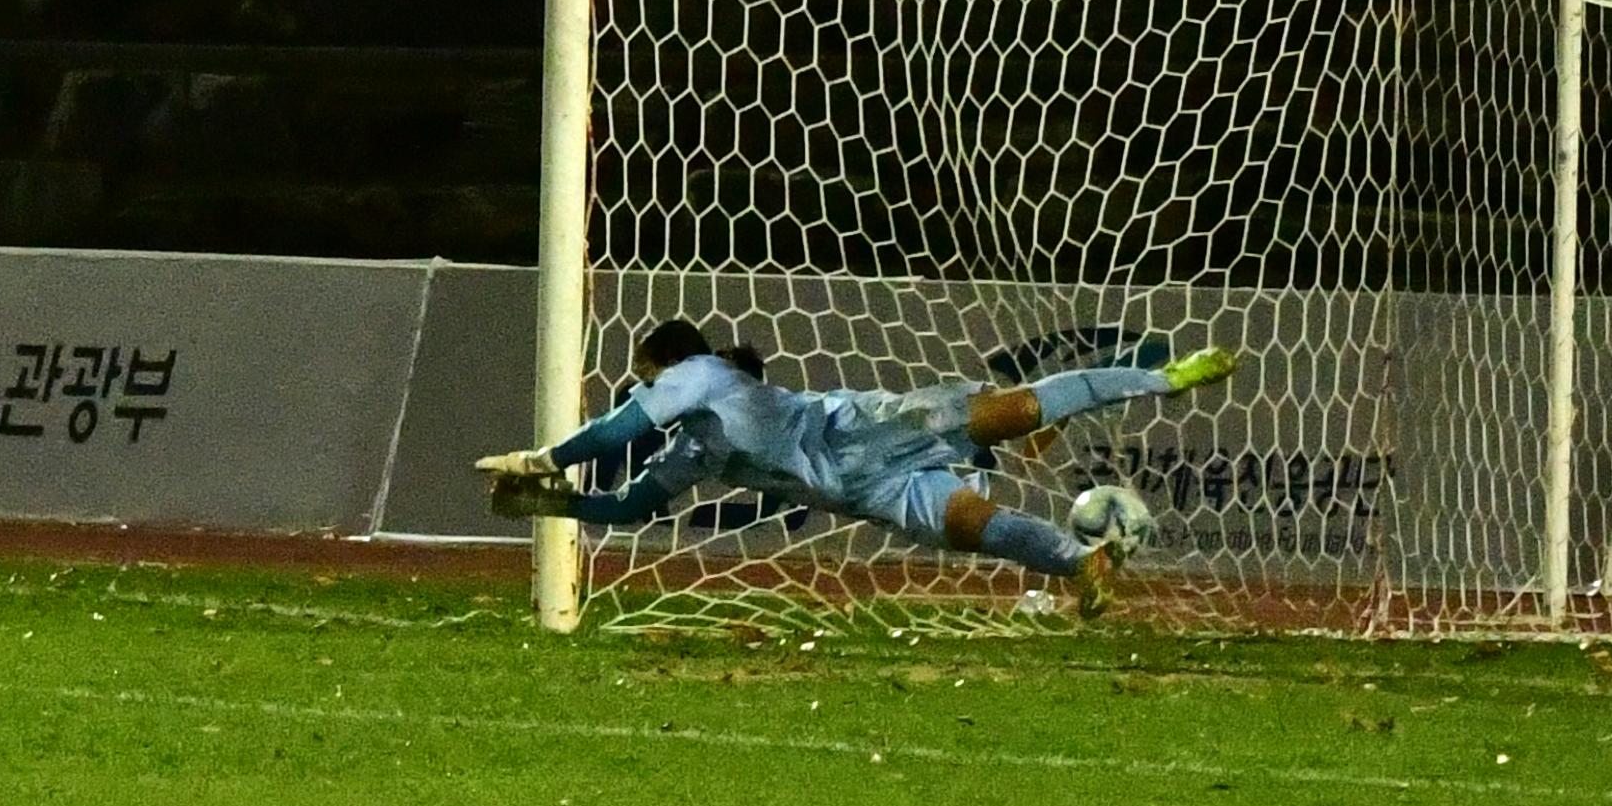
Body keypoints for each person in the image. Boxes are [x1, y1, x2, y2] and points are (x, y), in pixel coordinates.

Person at [481, 321, 1235, 610]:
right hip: (862, 490)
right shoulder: (697, 450)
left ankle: (1164, 378)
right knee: (972, 525)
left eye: (649, 375)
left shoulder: (701, 374)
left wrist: (544, 459)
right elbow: (633, 508)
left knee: (1013, 412)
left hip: (862, 428)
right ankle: (1083, 565)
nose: (646, 388)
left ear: (674, 367)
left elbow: (616, 432)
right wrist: (550, 507)